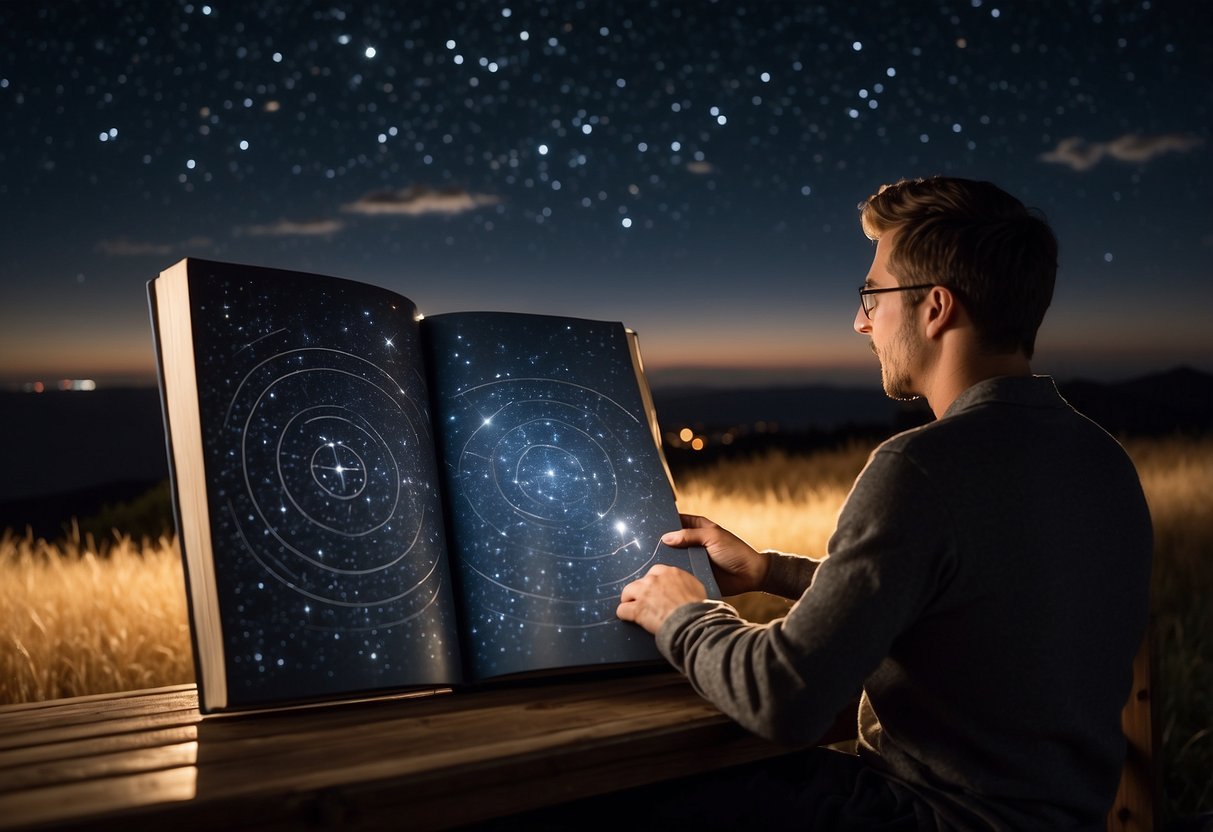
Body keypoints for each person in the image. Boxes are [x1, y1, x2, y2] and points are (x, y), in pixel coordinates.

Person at [611, 176, 1154, 830]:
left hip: (931, 817)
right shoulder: (1101, 459)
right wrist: (769, 572)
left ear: (934, 308)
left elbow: (785, 699)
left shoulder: (921, 466)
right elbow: (968, 594)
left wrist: (684, 617)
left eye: (871, 293)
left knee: (612, 797)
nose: (859, 319)